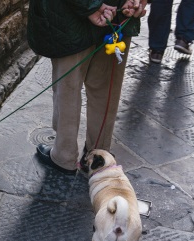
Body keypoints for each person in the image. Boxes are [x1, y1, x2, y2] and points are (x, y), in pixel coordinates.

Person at [27, 0, 147, 175]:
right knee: (104, 89)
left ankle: (64, 155)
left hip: (71, 18)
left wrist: (91, 5)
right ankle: (98, 156)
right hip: (116, 12)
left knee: (68, 89)